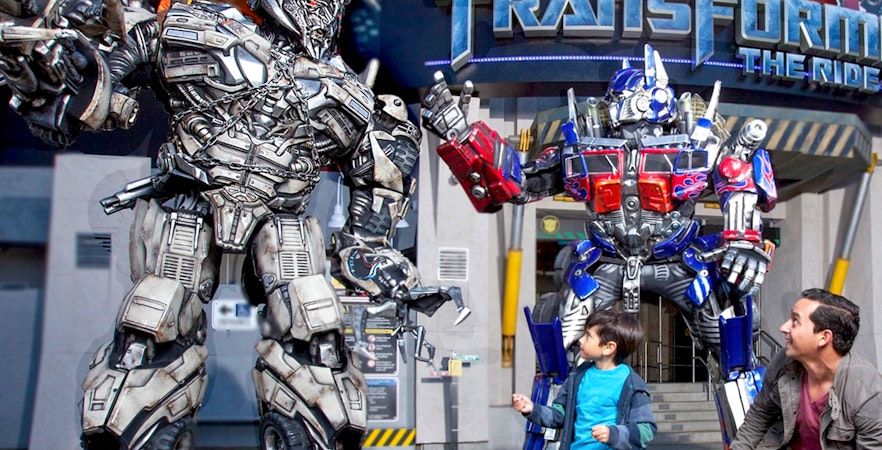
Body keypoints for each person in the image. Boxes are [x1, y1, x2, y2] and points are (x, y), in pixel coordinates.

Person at [731, 288, 882, 449]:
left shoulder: (867, 390)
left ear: (824, 337)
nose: (783, 327)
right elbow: (760, 415)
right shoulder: (782, 361)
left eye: (795, 321)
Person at [511, 309, 656, 449]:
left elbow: (646, 429)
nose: (580, 340)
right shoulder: (577, 377)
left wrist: (614, 434)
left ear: (608, 347)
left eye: (588, 336)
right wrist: (533, 409)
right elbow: (560, 415)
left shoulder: (632, 384)